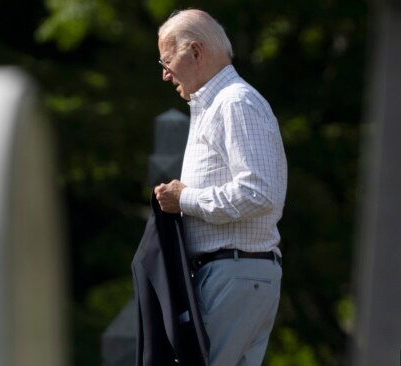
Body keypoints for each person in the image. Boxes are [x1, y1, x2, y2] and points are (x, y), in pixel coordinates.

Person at [153, 9, 288, 366]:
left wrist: (185, 198)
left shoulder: (235, 103)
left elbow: (258, 193)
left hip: (233, 272)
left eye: (166, 61)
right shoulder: (222, 103)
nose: (165, 75)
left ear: (195, 52)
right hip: (237, 274)